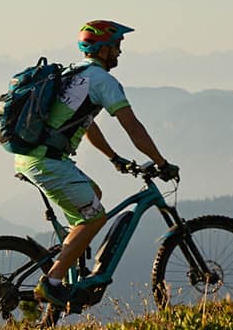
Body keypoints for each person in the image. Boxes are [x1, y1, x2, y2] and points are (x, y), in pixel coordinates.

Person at [16, 21, 178, 304]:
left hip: (33, 157)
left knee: (95, 196)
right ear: (103, 49)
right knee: (96, 216)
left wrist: (114, 157)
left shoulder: (73, 74)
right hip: (48, 162)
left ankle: (64, 260)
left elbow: (87, 125)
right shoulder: (103, 81)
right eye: (116, 46)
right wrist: (161, 162)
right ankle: (51, 282)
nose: (119, 52)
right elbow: (133, 127)